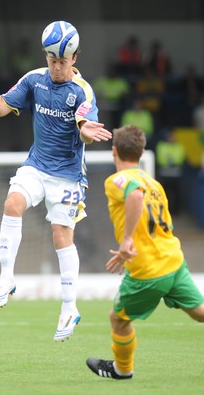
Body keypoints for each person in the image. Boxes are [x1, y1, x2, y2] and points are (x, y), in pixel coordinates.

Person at [0, 20, 112, 342]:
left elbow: (85, 127)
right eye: (52, 61)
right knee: (12, 203)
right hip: (36, 165)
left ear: (75, 59)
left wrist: (86, 132)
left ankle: (69, 307)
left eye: (62, 61)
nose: (57, 68)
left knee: (61, 236)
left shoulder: (82, 91)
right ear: (46, 57)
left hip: (68, 176)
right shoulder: (34, 80)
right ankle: (6, 278)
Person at [86, 125, 204, 379]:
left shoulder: (118, 180)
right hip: (173, 260)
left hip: (147, 268)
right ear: (141, 153)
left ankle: (122, 370)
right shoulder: (154, 183)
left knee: (118, 319)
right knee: (199, 313)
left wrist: (127, 240)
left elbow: (135, 196)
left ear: (114, 151)